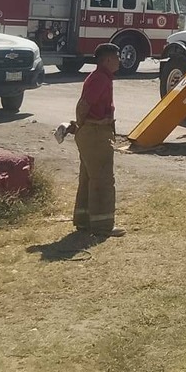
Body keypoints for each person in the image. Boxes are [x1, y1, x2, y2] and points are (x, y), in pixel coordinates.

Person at [72, 43, 125, 238]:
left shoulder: (100, 78)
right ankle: (103, 226)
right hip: (95, 133)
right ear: (108, 60)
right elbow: (84, 105)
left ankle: (84, 220)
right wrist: (86, 123)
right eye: (117, 58)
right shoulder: (100, 79)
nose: (119, 61)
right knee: (102, 179)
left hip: (92, 132)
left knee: (88, 178)